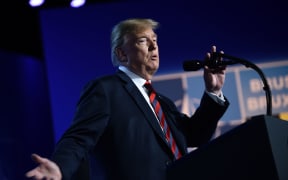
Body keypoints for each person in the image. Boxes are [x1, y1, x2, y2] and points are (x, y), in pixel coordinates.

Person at [26, 18, 229, 180]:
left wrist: (213, 91)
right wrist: (60, 168)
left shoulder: (163, 103)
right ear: (122, 54)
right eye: (143, 41)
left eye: (155, 41)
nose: (153, 47)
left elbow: (195, 136)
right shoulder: (106, 90)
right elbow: (79, 138)